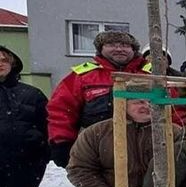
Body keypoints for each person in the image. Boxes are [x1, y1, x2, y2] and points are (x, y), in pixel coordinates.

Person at [47, 29, 148, 168]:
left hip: (144, 149)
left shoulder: (149, 75)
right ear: (101, 48)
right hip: (96, 150)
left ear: (133, 49)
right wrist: (62, 142)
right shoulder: (82, 76)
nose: (119, 49)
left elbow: (172, 107)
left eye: (125, 45)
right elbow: (61, 110)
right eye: (112, 44)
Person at [0, 45, 51, 187]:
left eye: (4, 59)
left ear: (12, 64)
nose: (0, 63)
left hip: (25, 159)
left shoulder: (31, 94)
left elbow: (49, 123)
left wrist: (43, 148)